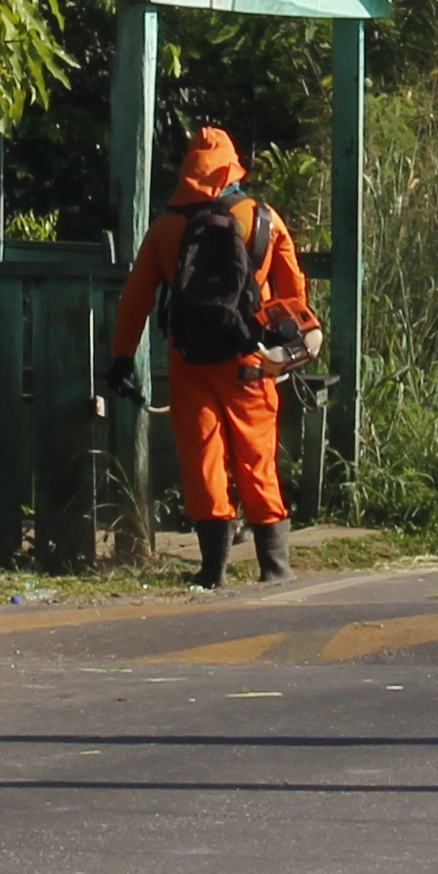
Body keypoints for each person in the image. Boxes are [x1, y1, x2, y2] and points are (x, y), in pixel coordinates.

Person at [114, 124, 318, 588]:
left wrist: (122, 358)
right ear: (231, 166)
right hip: (251, 360)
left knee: (203, 458)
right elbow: (294, 293)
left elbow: (137, 299)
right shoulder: (262, 218)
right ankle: (275, 568)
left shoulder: (166, 227)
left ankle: (212, 571)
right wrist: (291, 347)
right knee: (256, 458)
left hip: (191, 360)